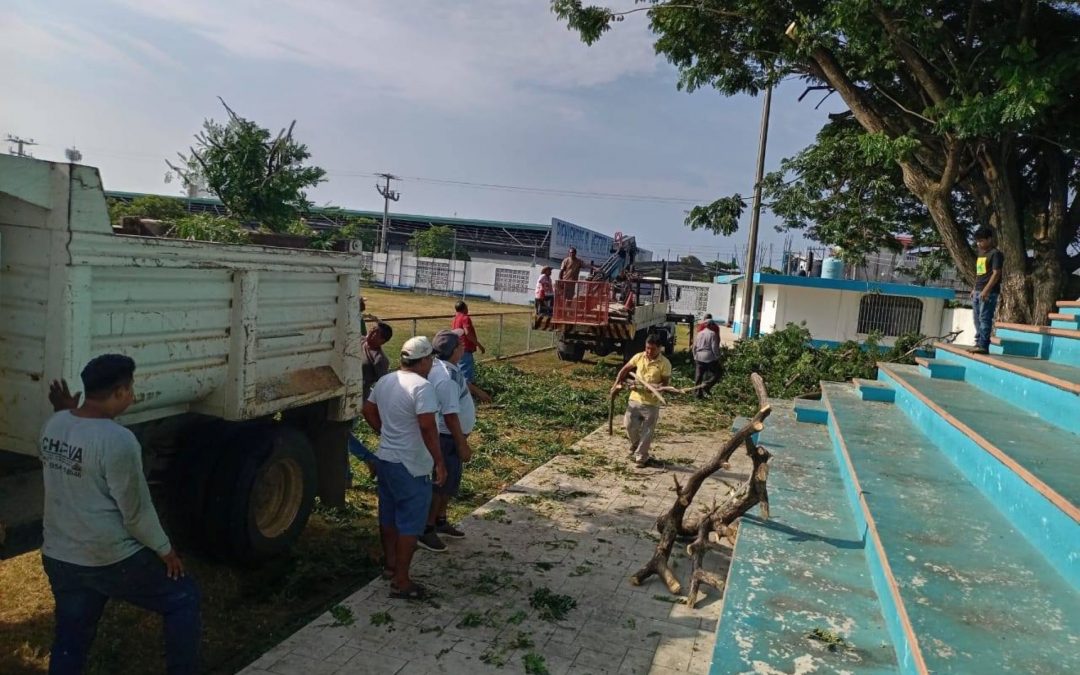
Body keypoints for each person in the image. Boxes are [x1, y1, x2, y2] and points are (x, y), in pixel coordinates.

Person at [40, 355, 200, 675]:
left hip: (60, 554)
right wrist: (165, 550)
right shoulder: (118, 440)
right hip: (108, 558)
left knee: (71, 638)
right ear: (118, 391)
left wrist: (64, 410)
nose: (132, 395)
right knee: (183, 597)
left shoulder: (54, 424)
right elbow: (136, 512)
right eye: (130, 389)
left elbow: (74, 441)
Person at [363, 336, 446, 599]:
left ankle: (390, 566)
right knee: (410, 524)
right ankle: (401, 581)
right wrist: (439, 461)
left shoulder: (387, 380)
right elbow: (427, 426)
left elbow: (367, 409)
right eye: (430, 359)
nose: (432, 363)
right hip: (411, 465)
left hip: (386, 459)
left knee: (388, 518)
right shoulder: (422, 387)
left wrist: (384, 432)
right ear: (423, 360)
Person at [417, 329, 476, 552]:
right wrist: (462, 443)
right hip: (447, 438)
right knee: (440, 484)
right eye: (460, 344)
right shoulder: (446, 378)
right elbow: (450, 415)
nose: (463, 347)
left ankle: (440, 520)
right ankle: (426, 529)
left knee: (448, 484)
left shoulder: (447, 370)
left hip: (451, 437)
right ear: (454, 351)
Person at [611, 334, 672, 468]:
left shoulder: (665, 363)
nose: (649, 351)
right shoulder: (639, 356)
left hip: (651, 404)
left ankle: (641, 457)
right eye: (647, 348)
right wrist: (616, 383)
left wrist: (657, 387)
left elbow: (665, 383)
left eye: (653, 349)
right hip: (635, 399)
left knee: (647, 431)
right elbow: (625, 370)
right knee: (629, 425)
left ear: (660, 348)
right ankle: (636, 445)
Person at [349, 321, 394, 480]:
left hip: (356, 400)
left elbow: (382, 387)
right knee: (341, 437)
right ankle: (346, 476)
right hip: (343, 394)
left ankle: (370, 459)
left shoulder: (380, 360)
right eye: (372, 329)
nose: (371, 333)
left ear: (383, 341)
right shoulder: (359, 341)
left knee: (343, 436)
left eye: (376, 333)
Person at [969, 227, 1003, 354]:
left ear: (989, 239)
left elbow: (996, 273)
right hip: (978, 290)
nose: (979, 244)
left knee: (984, 317)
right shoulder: (981, 254)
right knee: (976, 318)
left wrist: (986, 290)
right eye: (977, 241)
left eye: (981, 241)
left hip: (988, 292)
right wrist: (974, 289)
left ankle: (983, 344)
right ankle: (978, 342)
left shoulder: (995, 254)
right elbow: (979, 273)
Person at [451, 301, 485, 384]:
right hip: (465, 349)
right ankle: (467, 394)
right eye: (467, 307)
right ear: (464, 308)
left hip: (457, 348)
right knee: (466, 375)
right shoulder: (465, 318)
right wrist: (479, 345)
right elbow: (468, 334)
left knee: (458, 371)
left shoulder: (455, 318)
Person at [692, 318, 723, 399]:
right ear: (711, 325)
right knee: (718, 373)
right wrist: (717, 357)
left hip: (699, 356)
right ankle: (707, 385)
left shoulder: (699, 333)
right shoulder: (712, 334)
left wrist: (695, 356)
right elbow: (714, 347)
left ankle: (697, 395)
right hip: (709, 357)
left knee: (698, 376)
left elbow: (694, 346)